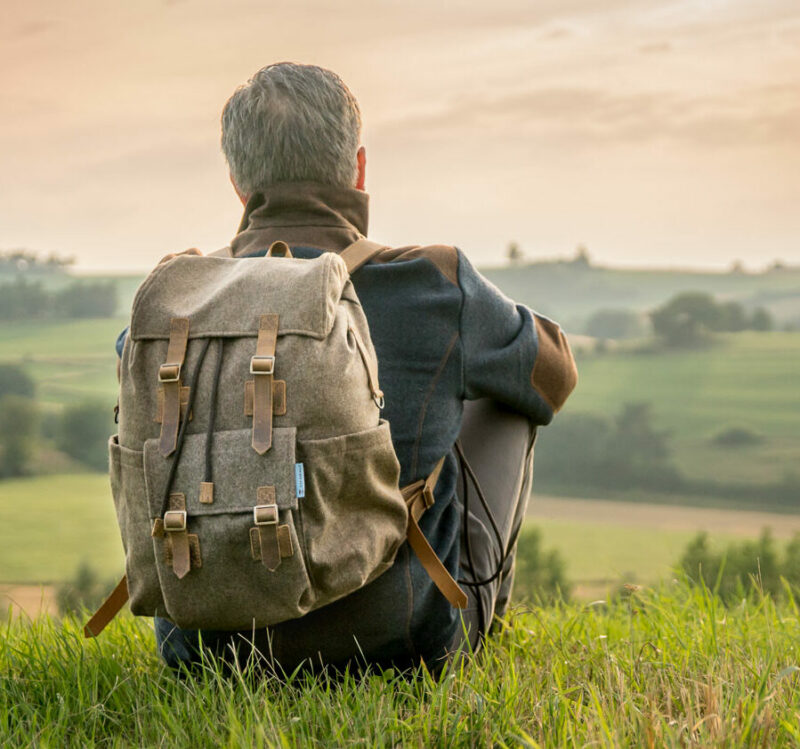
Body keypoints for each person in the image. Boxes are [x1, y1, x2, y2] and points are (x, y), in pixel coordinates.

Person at [129, 62, 578, 673]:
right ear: (358, 169)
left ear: (238, 184)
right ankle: (476, 611)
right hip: (398, 644)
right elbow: (554, 375)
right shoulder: (431, 281)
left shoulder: (171, 304)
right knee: (511, 394)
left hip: (201, 651)